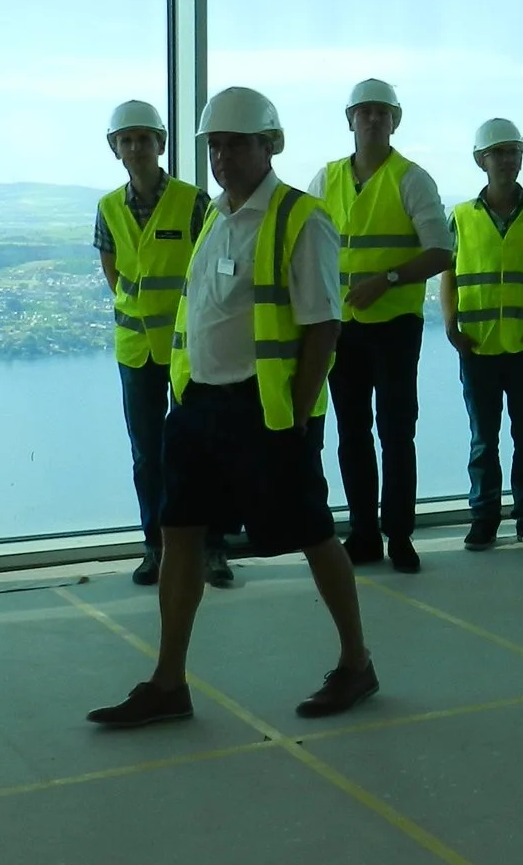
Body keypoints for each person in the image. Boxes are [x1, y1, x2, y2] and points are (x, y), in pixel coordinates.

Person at [90, 87, 378, 728]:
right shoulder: (216, 216)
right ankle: (168, 682)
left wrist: (295, 417)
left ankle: (356, 663)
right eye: (214, 146)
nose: (222, 157)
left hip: (266, 411)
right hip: (199, 407)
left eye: (236, 144)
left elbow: (324, 325)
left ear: (270, 145)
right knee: (179, 532)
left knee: (313, 533)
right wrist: (187, 398)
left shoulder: (302, 218)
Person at [95, 99, 230, 591]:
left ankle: (213, 547)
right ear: (115, 149)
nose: (136, 148)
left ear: (161, 144)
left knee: (204, 449)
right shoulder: (108, 208)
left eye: (144, 139)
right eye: (126, 140)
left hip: (191, 349)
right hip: (137, 352)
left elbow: (211, 267)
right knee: (147, 455)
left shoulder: (192, 202)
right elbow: (114, 272)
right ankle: (155, 547)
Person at [319, 78, 451, 573]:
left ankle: (399, 535)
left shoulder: (411, 179)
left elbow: (440, 252)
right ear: (349, 119)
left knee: (396, 432)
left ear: (395, 121)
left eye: (382, 112)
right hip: (341, 326)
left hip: (394, 325)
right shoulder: (326, 179)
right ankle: (364, 533)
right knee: (352, 432)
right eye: (365, 111)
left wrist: (388, 279)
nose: (373, 119)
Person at [441, 118, 523, 552]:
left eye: (514, 152)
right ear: (482, 160)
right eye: (499, 153)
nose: (508, 160)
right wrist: (451, 327)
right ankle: (484, 519)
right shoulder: (460, 217)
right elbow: (448, 275)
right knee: (483, 442)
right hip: (477, 348)